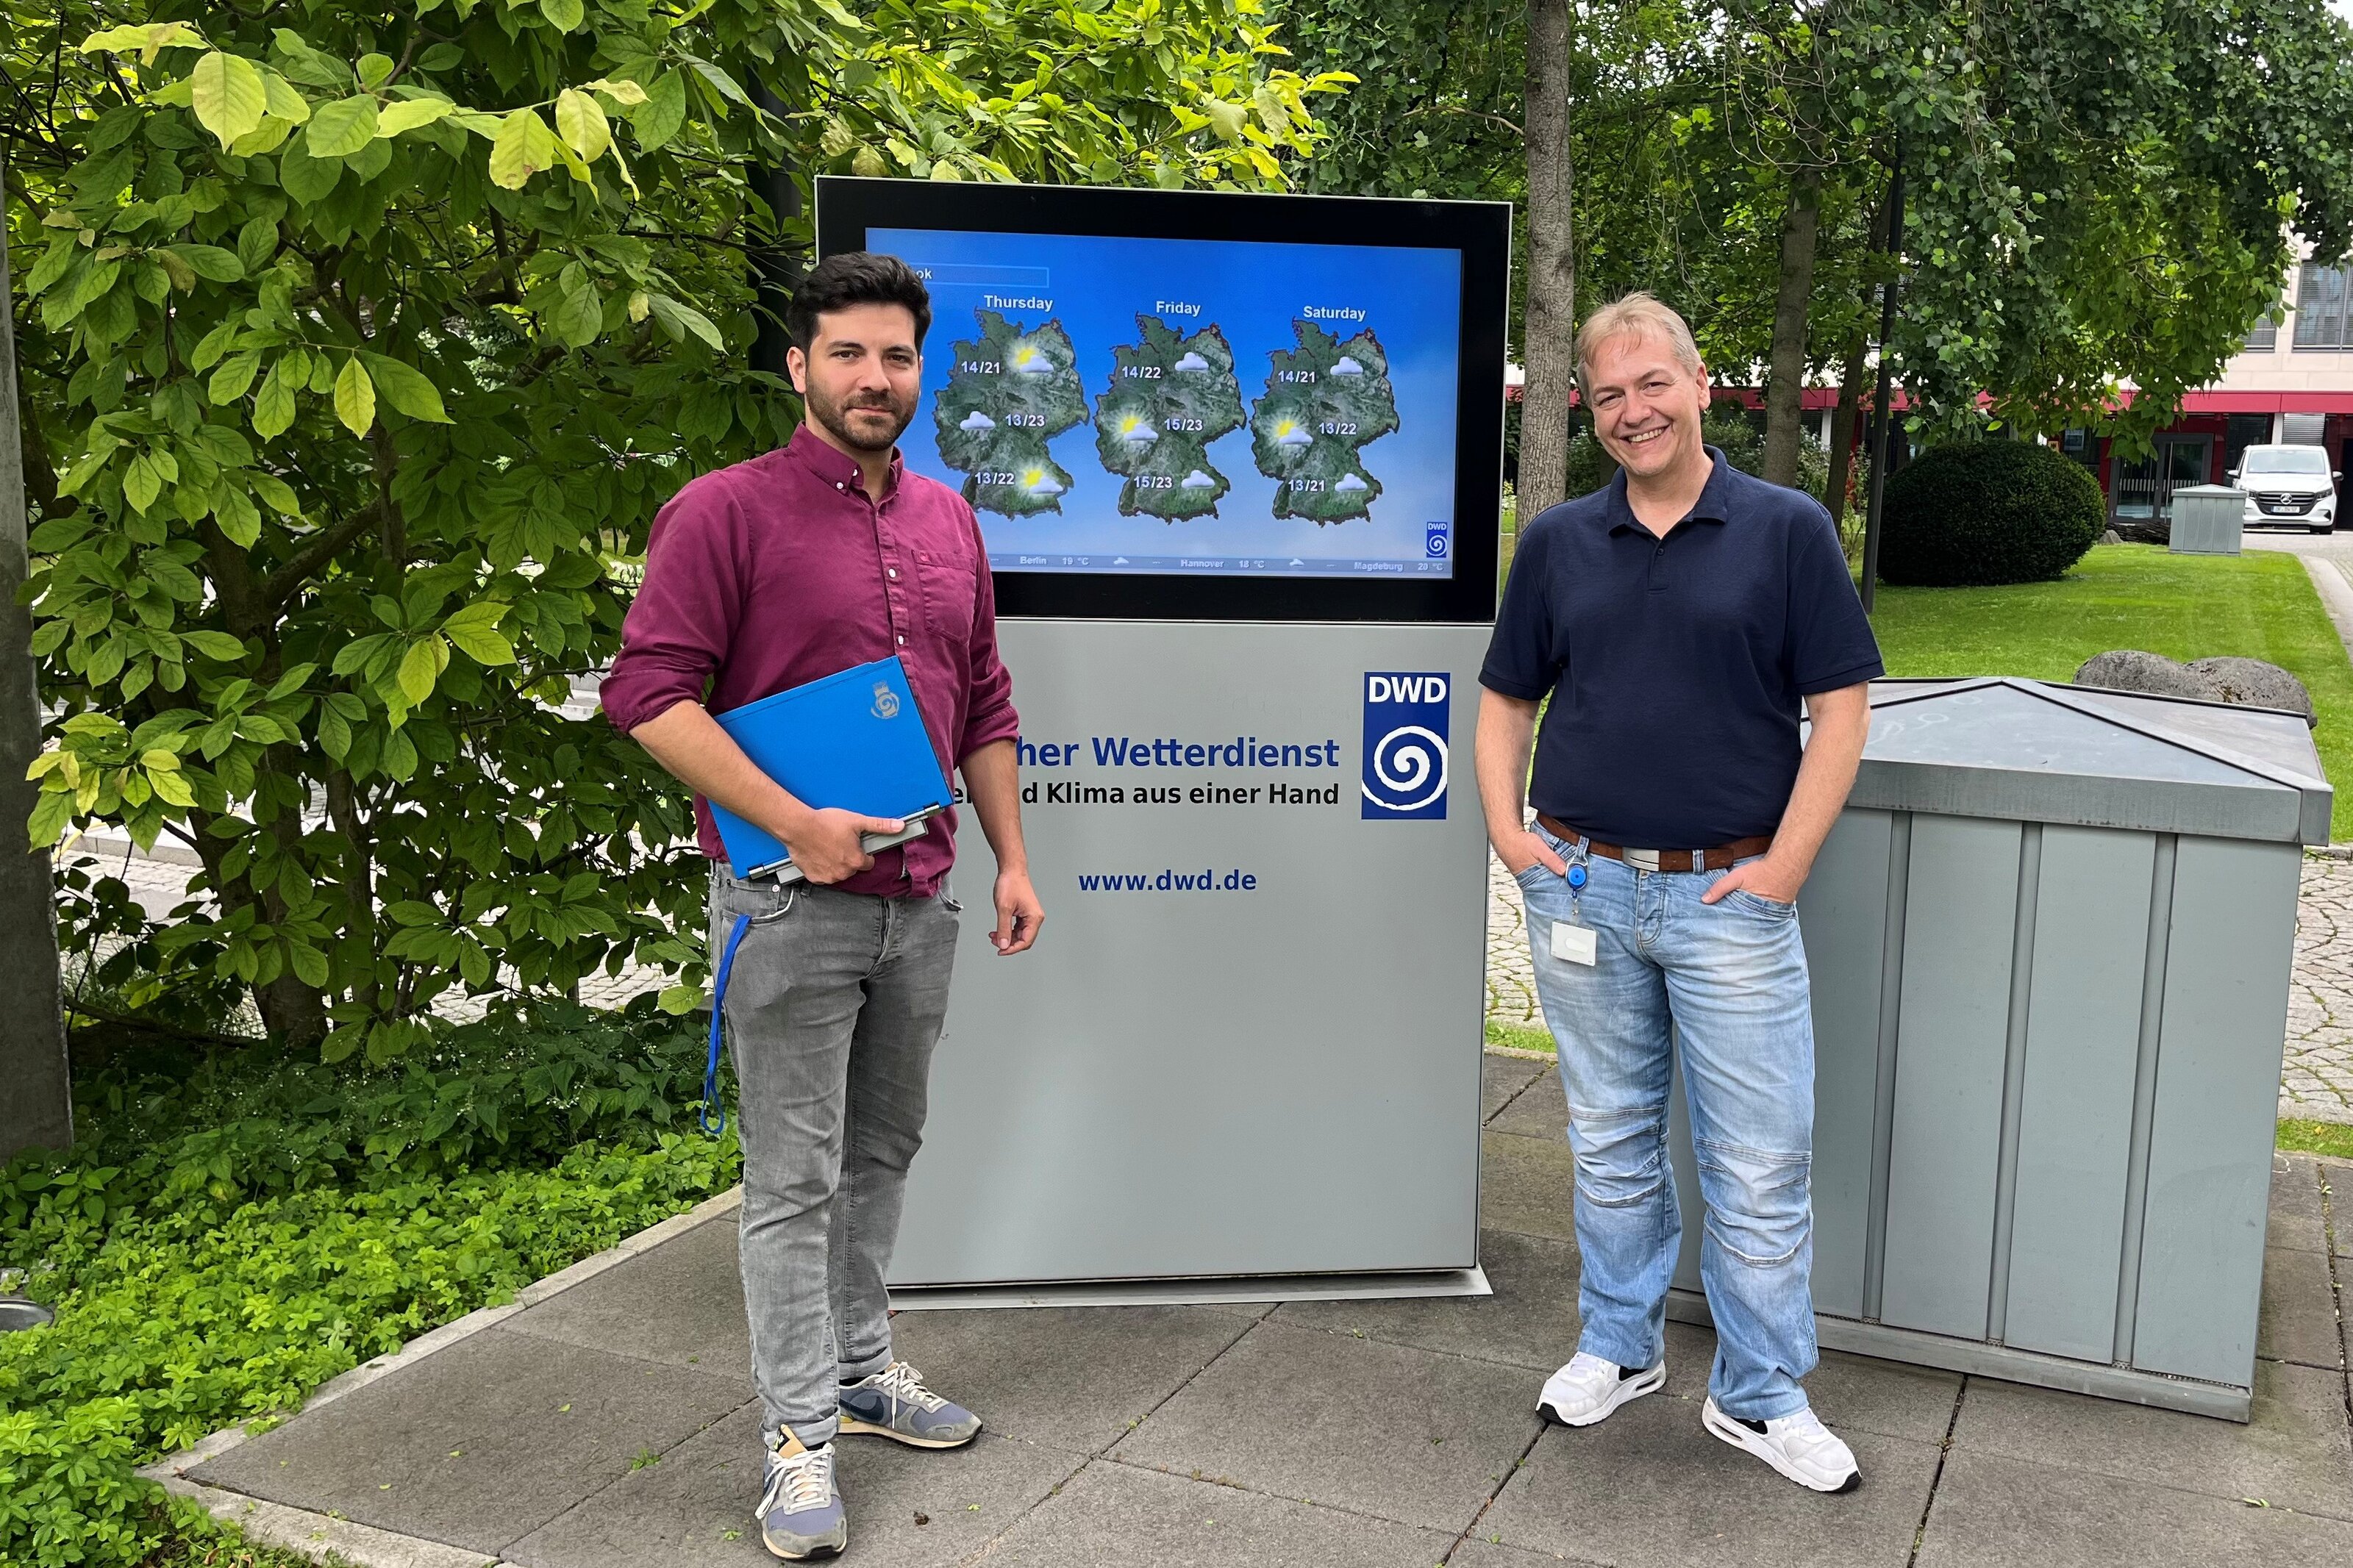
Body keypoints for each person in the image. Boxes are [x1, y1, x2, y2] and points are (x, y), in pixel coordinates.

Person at [601, 251, 1044, 1558]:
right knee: (793, 1182)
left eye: (896, 355)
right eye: (847, 353)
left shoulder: (951, 522)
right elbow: (647, 696)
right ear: (800, 365)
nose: (874, 377)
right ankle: (797, 1435)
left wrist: (1013, 859)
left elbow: (987, 701)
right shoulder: (722, 514)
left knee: (882, 1153)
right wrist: (796, 820)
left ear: (922, 370)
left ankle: (859, 1368)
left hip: (923, 900)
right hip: (787, 904)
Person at [1474, 292, 1880, 1493]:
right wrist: (1509, 834)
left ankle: (1760, 1394)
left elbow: (1842, 710)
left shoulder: (1787, 530)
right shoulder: (1557, 541)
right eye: (1608, 394)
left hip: (1728, 902)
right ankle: (1620, 1343)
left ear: (1702, 386)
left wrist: (1783, 869)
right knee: (1609, 1143)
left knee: (1758, 1162)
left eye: (1653, 383)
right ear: (1587, 410)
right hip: (1582, 890)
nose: (1633, 410)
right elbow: (1505, 699)